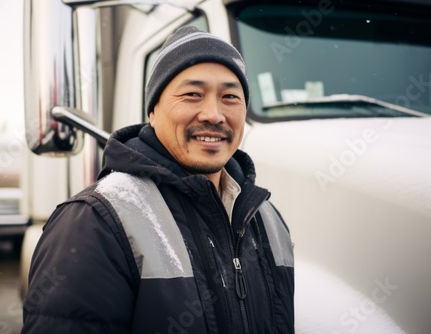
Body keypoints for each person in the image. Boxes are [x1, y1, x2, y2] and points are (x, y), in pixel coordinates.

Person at [21, 26, 294, 334]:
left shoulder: (267, 219)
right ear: (152, 110)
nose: (214, 114)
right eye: (193, 94)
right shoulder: (96, 220)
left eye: (230, 96)